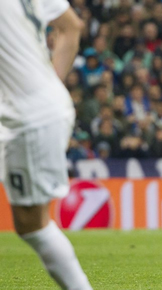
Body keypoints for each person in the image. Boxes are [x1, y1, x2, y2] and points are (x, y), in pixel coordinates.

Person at [0, 1, 92, 289]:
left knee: (33, 225)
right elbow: (71, 26)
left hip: (28, 117)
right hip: (41, 104)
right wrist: (48, 85)